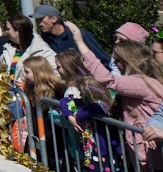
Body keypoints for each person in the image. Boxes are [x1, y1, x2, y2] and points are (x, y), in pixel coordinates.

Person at [67, 19, 163, 167]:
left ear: (127, 61)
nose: (115, 64)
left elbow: (107, 79)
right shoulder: (139, 80)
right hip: (142, 146)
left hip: (150, 151)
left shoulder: (140, 83)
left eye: (117, 61)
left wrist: (80, 42)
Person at [32, 4, 110, 68]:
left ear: (54, 19)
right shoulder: (43, 41)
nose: (38, 23)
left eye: (41, 19)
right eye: (37, 19)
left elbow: (103, 59)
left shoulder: (78, 35)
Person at [1, 15, 57, 80]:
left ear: (18, 30)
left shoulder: (42, 51)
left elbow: (56, 75)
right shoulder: (8, 48)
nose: (6, 32)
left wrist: (31, 82)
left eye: (8, 29)